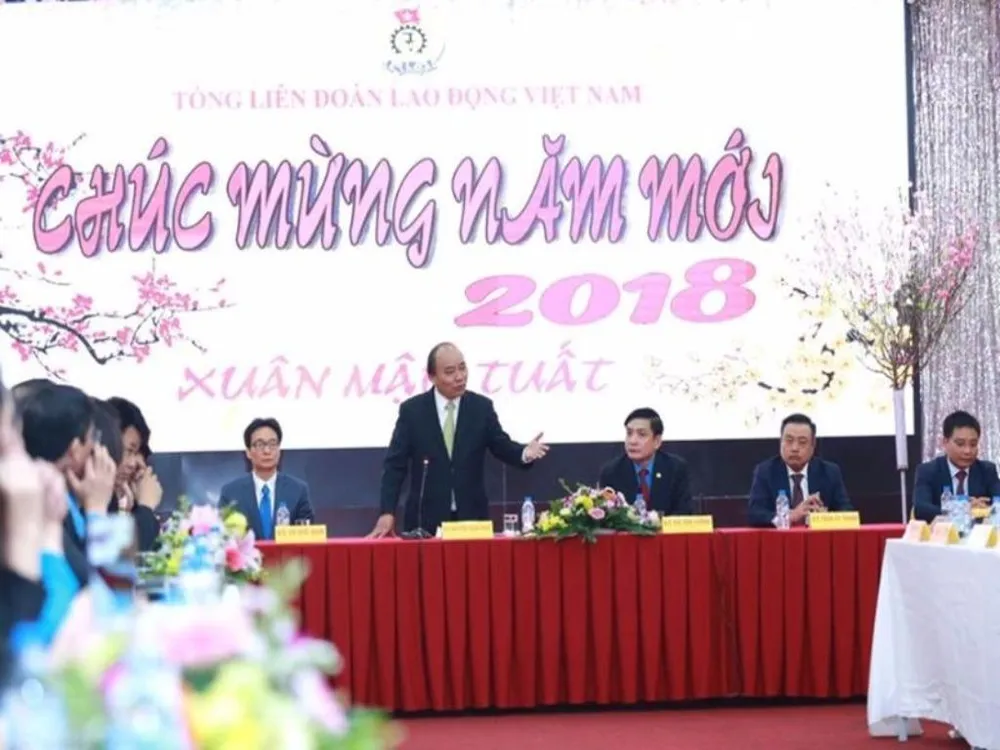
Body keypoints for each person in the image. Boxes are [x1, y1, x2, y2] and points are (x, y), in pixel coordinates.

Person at [370, 342, 549, 537]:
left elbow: (501, 445)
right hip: (424, 520)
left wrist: (524, 453)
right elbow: (395, 466)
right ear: (432, 377)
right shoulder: (412, 411)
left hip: (471, 518)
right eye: (450, 372)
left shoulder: (481, 407)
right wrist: (387, 512)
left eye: (462, 368)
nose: (459, 376)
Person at [17, 383, 116, 586]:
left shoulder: (67, 499)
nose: (97, 447)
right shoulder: (43, 505)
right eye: (93, 437)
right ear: (75, 449)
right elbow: (115, 587)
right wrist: (98, 510)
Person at [747, 413, 852, 528]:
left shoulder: (829, 472)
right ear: (780, 442)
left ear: (813, 446)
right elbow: (755, 514)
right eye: (789, 440)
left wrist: (823, 517)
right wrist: (789, 516)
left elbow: (847, 513)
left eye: (802, 442)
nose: (794, 448)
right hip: (780, 538)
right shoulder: (766, 471)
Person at [219, 417, 314, 541]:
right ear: (248, 452)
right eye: (260, 445)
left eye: (272, 444)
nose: (267, 451)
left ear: (279, 450)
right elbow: (224, 538)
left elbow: (308, 538)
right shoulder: (231, 493)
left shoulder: (298, 490)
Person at [598, 407, 693, 516]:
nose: (632, 441)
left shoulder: (675, 469)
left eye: (642, 434)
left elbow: (683, 513)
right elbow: (607, 517)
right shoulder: (612, 472)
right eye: (629, 433)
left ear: (657, 441)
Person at [912, 410, 1000, 522]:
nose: (968, 451)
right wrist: (963, 510)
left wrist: (986, 509)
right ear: (945, 442)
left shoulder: (987, 470)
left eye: (973, 444)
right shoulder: (928, 471)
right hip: (942, 532)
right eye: (960, 444)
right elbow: (921, 509)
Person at [104, 397, 163, 550]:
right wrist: (145, 507)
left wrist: (133, 509)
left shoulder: (118, 496)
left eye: (136, 453)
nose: (133, 463)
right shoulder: (87, 499)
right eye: (129, 451)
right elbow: (119, 555)